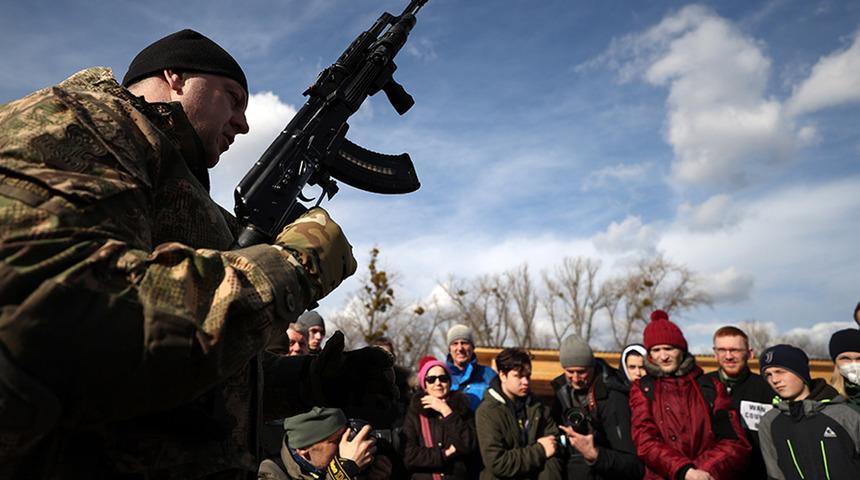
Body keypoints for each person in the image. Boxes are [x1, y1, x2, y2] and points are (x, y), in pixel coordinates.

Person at [0, 29, 398, 478]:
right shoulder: (75, 119)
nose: (244, 123)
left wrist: (315, 381)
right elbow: (50, 319)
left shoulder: (184, 193)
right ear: (175, 76)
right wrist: (291, 267)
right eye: (233, 98)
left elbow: (191, 379)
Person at [629, 310, 751, 480]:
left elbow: (734, 441)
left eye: (669, 348)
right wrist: (683, 471)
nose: (663, 356)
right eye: (656, 350)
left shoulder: (711, 386)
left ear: (681, 349)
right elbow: (645, 441)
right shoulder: (643, 388)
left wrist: (701, 472)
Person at [758, 344, 860, 478]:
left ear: (801, 372)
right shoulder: (770, 421)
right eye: (768, 374)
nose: (774, 380)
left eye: (780, 371)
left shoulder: (844, 414)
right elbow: (775, 474)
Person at [550, 335, 644, 479]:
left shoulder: (614, 394)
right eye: (570, 372)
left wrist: (594, 453)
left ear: (592, 367)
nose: (575, 378)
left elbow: (632, 462)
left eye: (581, 372)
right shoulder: (560, 392)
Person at [476, 348, 563, 480]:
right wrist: (540, 450)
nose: (525, 382)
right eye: (518, 376)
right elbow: (498, 463)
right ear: (502, 376)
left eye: (528, 376)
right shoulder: (487, 412)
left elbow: (553, 447)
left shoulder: (539, 407)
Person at [703, 325, 773, 479]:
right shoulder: (701, 386)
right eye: (722, 350)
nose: (728, 356)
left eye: (735, 350)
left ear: (750, 354)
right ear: (715, 353)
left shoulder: (767, 388)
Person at [402, 357, 478, 479]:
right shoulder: (415, 413)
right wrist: (444, 454)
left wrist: (446, 411)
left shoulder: (462, 410)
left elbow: (469, 445)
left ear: (449, 382)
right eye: (431, 379)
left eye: (443, 378)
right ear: (424, 384)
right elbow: (409, 456)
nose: (438, 383)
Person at [258, 407, 376, 480]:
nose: (345, 445)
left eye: (347, 436)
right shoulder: (271, 473)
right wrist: (342, 473)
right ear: (303, 449)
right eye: (337, 440)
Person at [445, 324, 497, 411]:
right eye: (455, 343)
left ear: (472, 348)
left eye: (464, 343)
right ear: (449, 349)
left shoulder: (488, 374)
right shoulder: (442, 377)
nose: (460, 348)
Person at [829, 329, 860, 414]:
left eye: (859, 358)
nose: (853, 364)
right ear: (835, 363)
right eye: (845, 358)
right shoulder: (827, 399)